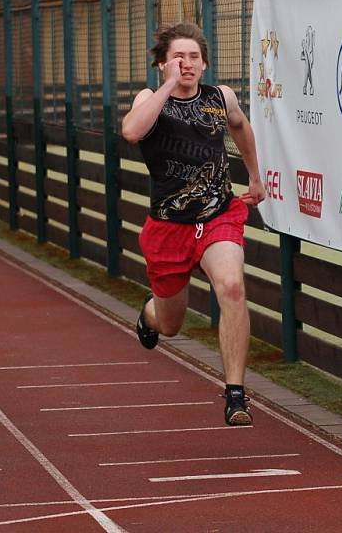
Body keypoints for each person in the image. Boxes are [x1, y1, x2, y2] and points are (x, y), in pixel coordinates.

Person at [121, 22, 265, 426]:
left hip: (219, 215)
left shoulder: (222, 97)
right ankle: (150, 314)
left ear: (205, 64)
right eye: (178, 57)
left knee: (232, 286)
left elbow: (239, 125)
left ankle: (236, 393)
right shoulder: (151, 98)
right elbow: (132, 131)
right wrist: (166, 86)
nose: (186, 64)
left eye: (194, 57)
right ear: (163, 64)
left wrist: (254, 175)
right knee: (170, 324)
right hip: (169, 225)